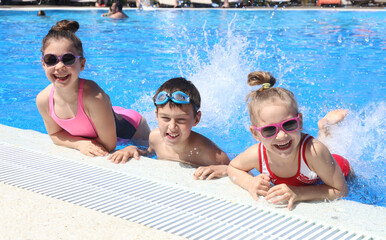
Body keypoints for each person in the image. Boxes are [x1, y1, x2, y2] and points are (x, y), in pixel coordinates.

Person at [227, 71, 352, 210]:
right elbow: (233, 167)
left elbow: (341, 191)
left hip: (338, 168)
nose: (281, 136)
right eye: (269, 130)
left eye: (288, 125)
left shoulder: (315, 151)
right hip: (313, 165)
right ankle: (324, 128)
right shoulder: (257, 154)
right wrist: (249, 182)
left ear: (299, 122)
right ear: (256, 133)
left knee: (323, 148)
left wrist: (298, 193)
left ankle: (327, 128)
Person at [36, 20, 150, 157]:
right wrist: (79, 144)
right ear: (43, 63)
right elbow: (55, 134)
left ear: (82, 64)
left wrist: (80, 142)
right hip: (103, 116)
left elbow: (109, 145)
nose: (59, 67)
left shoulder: (94, 98)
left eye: (68, 59)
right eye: (51, 59)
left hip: (132, 130)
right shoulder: (43, 100)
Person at [109, 77, 230, 180]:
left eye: (181, 120)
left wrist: (225, 170)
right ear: (156, 115)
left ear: (196, 119)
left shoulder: (210, 154)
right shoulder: (155, 137)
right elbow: (150, 153)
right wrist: (133, 149)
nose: (172, 127)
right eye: (165, 118)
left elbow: (239, 171)